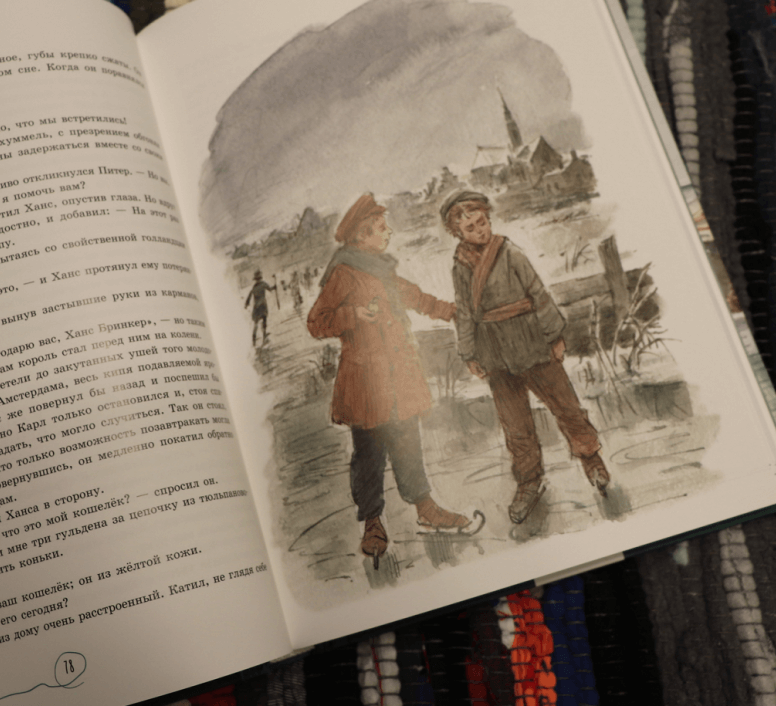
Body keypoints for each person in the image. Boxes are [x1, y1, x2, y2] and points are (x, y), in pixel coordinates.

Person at [308, 193, 476, 568]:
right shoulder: (343, 273)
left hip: (400, 380)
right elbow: (316, 323)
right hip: (366, 386)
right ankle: (372, 524)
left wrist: (452, 312)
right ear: (361, 236)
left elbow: (415, 298)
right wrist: (353, 315)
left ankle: (426, 508)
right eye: (382, 228)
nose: (389, 232)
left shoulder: (382, 269)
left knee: (408, 445)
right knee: (368, 456)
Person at [441, 190, 610, 525]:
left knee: (566, 407)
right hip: (494, 353)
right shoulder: (459, 267)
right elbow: (464, 311)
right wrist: (469, 352)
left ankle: (592, 460)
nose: (480, 230)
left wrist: (554, 336)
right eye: (471, 227)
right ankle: (529, 482)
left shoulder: (510, 252)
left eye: (482, 222)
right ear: (457, 232)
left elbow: (538, 292)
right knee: (515, 425)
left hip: (532, 343)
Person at [244, 269, 277, 346]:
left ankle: (254, 339)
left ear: (255, 279)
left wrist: (246, 303)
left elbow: (249, 295)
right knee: (264, 320)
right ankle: (264, 336)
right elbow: (270, 289)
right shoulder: (263, 284)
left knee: (256, 323)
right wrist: (274, 287)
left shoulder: (254, 287)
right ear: (260, 278)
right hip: (262, 306)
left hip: (256, 307)